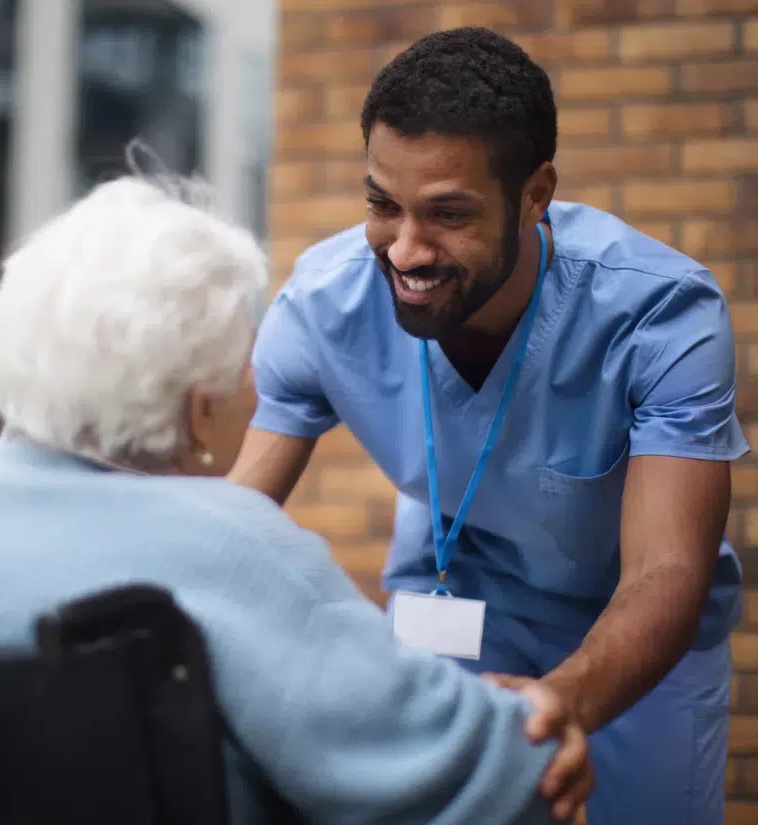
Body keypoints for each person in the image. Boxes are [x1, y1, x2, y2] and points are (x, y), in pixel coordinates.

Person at [231, 26, 749, 825]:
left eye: (446, 214)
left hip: (634, 630)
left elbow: (664, 573)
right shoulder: (323, 304)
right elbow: (232, 521)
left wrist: (559, 701)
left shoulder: (660, 313)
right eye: (381, 204)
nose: (404, 248)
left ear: (536, 193)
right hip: (457, 601)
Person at [0, 172, 591, 825]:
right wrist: (534, 732)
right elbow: (473, 764)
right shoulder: (222, 545)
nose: (257, 382)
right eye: (244, 361)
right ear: (199, 412)